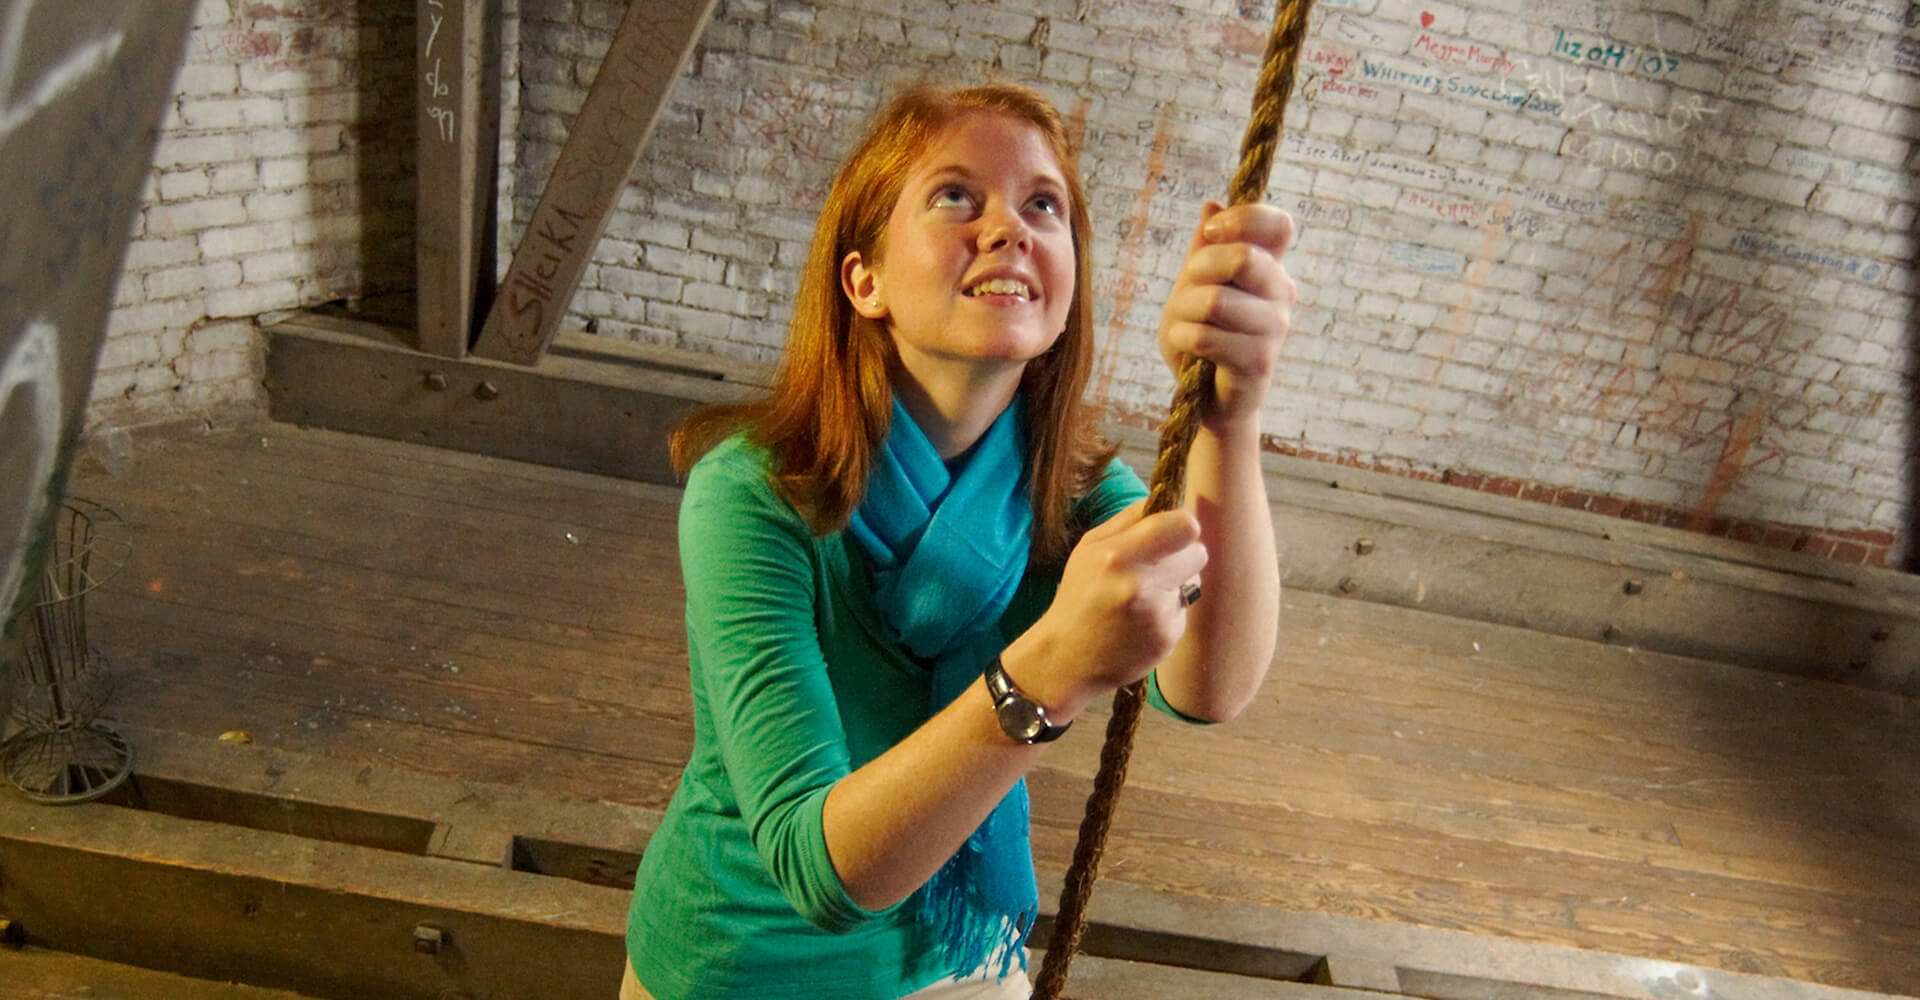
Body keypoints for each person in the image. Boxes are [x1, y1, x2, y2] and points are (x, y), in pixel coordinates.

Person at [623, 82, 1294, 1000]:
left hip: (958, 955)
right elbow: (819, 872)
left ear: (1066, 289)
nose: (1007, 227)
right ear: (864, 280)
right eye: (955, 197)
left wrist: (1230, 418)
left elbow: (1208, 688)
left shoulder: (1075, 494)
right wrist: (1048, 672)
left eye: (1042, 205)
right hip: (743, 962)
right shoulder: (754, 492)